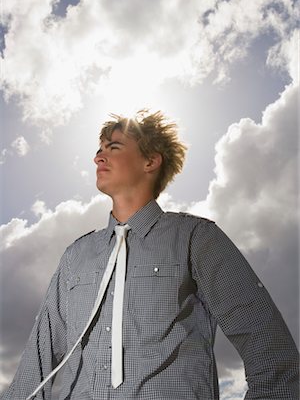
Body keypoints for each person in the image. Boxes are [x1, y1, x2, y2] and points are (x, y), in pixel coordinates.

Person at [1, 109, 298, 400]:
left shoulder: (195, 238)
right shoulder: (75, 256)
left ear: (150, 161)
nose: (98, 157)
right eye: (99, 149)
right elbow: (33, 370)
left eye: (113, 147)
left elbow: (270, 352)